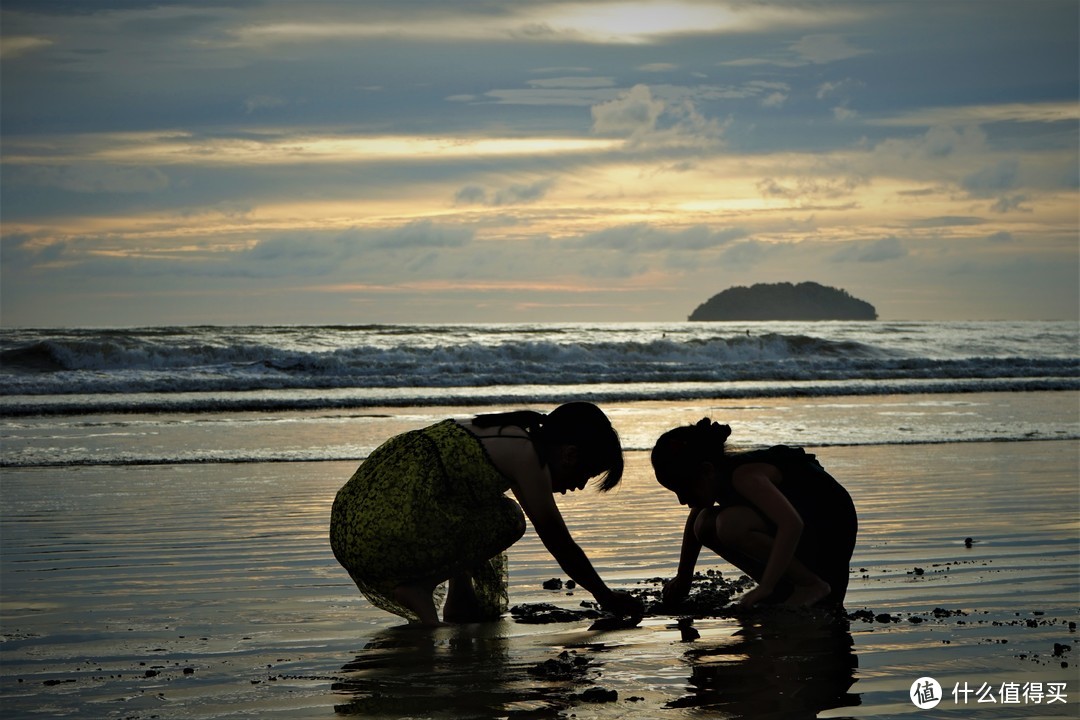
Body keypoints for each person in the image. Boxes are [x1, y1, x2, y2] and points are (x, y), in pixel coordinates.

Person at [330, 402, 644, 626]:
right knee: (509, 518)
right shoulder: (527, 457)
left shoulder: (510, 433)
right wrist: (604, 594)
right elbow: (559, 541)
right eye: (584, 475)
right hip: (382, 531)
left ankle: (460, 601)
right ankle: (420, 586)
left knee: (478, 507)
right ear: (569, 453)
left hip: (349, 524)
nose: (577, 486)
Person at [651, 418, 857, 610]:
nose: (682, 500)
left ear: (706, 470)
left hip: (828, 529)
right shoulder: (716, 477)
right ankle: (782, 587)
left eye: (684, 490)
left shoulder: (745, 476)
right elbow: (696, 519)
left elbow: (791, 524)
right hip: (803, 531)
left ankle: (809, 584)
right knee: (704, 523)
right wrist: (684, 576)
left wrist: (765, 587)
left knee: (730, 524)